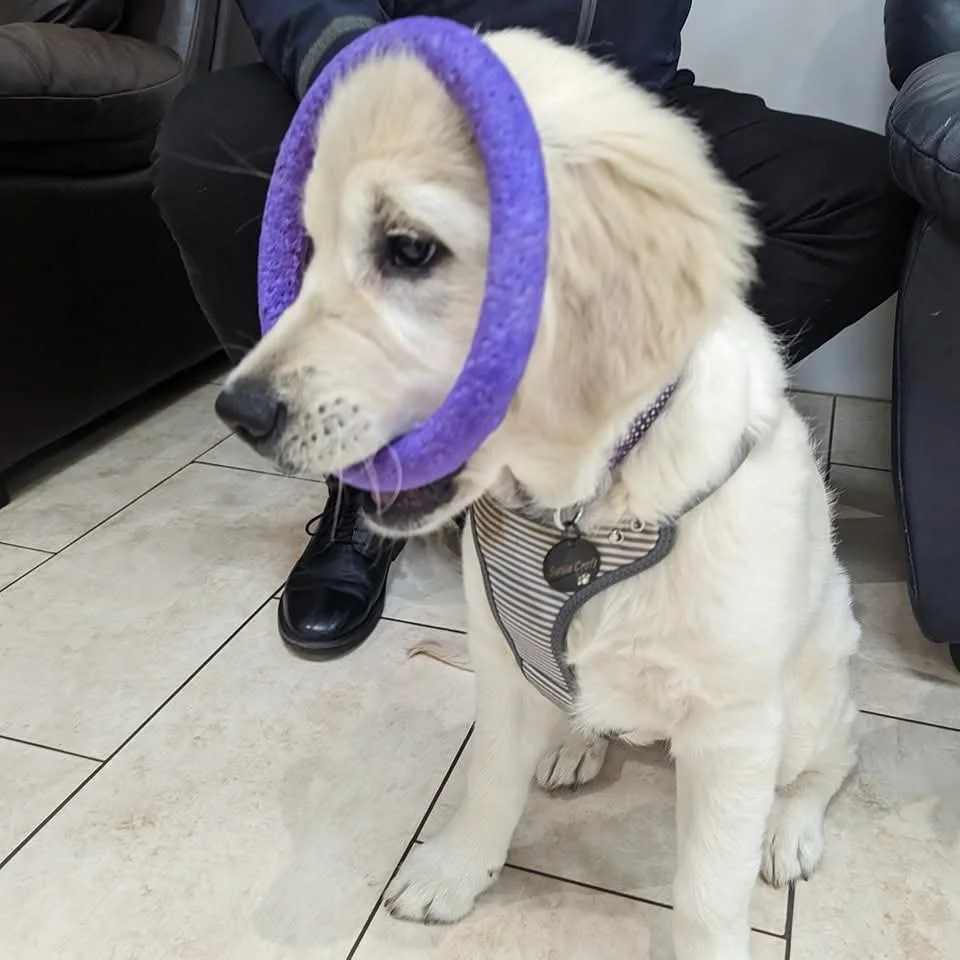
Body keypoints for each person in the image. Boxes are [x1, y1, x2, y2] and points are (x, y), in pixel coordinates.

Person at [152, 1, 915, 658]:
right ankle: (378, 467)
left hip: (605, 103)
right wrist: (372, 70)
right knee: (208, 139)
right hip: (420, 93)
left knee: (876, 196)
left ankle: (607, 411)